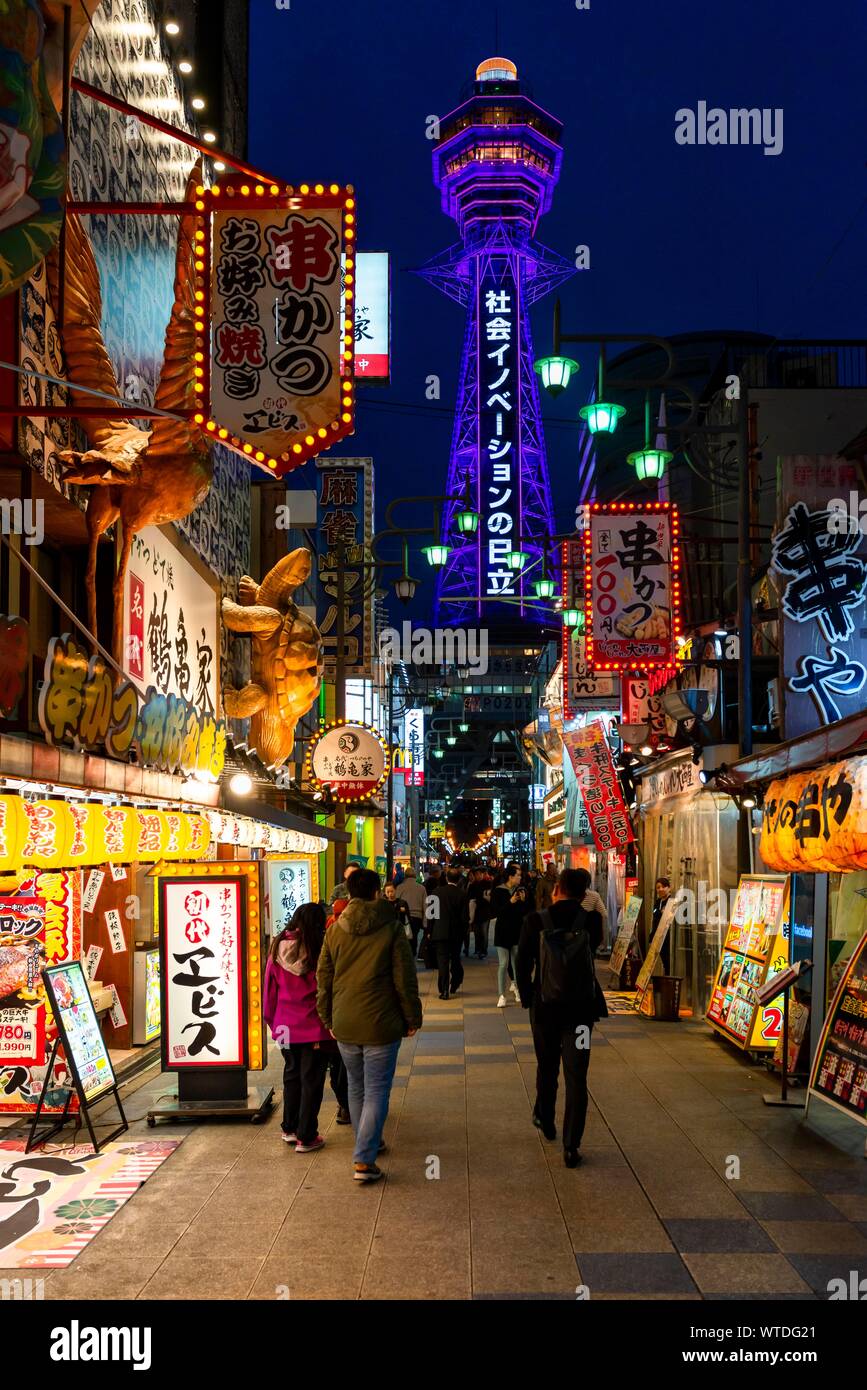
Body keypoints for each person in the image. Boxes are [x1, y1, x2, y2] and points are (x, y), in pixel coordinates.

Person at [317, 868, 422, 1183]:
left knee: (356, 1085)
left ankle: (370, 1142)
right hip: (381, 1023)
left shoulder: (335, 930)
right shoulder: (390, 929)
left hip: (345, 1021)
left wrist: (327, 1018)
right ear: (378, 892)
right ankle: (364, 1158)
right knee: (377, 1089)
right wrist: (412, 1018)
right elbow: (404, 979)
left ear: (348, 893)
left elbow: (324, 979)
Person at [516, 867, 605, 1168]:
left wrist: (528, 995)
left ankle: (545, 1117)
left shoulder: (535, 920)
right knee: (577, 1075)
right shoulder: (591, 920)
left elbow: (522, 961)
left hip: (545, 1009)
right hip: (581, 1012)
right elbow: (593, 950)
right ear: (585, 894)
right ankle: (571, 1145)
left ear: (557, 889)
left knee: (547, 1065)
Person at [264, 902, 332, 1152]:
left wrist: (272, 1020)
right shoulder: (318, 949)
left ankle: (289, 1128)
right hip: (313, 1026)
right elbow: (327, 991)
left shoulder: (276, 947)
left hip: (285, 1024)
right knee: (311, 1080)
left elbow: (270, 991)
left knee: (291, 1075)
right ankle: (307, 1135)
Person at [490, 864, 525, 1007]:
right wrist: (510, 902)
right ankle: (501, 995)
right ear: (511, 877)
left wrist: (523, 901)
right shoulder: (498, 891)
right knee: (503, 964)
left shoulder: (520, 891)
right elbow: (495, 912)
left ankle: (517, 989)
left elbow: (524, 912)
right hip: (502, 931)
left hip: (517, 930)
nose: (520, 878)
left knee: (516, 963)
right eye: (518, 875)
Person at [432, 868, 466, 999]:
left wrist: (429, 930)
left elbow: (431, 914)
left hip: (440, 932)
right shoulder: (462, 894)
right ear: (459, 880)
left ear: (446, 878)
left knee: (443, 961)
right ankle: (455, 982)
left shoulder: (436, 892)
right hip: (456, 933)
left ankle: (444, 989)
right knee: (456, 958)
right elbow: (464, 917)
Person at [395, 866, 427, 961]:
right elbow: (425, 905)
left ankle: (406, 954)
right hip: (417, 917)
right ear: (415, 876)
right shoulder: (421, 888)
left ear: (405, 876)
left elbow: (396, 901)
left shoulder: (400, 887)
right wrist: (425, 921)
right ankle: (412, 953)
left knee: (405, 936)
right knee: (414, 936)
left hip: (403, 916)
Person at [651, 877, 673, 973]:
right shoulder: (657, 902)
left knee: (669, 961)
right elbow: (655, 919)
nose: (660, 889)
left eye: (663, 887)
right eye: (658, 887)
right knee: (663, 960)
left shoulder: (672, 901)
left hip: (668, 937)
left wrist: (661, 913)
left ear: (669, 888)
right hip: (658, 937)